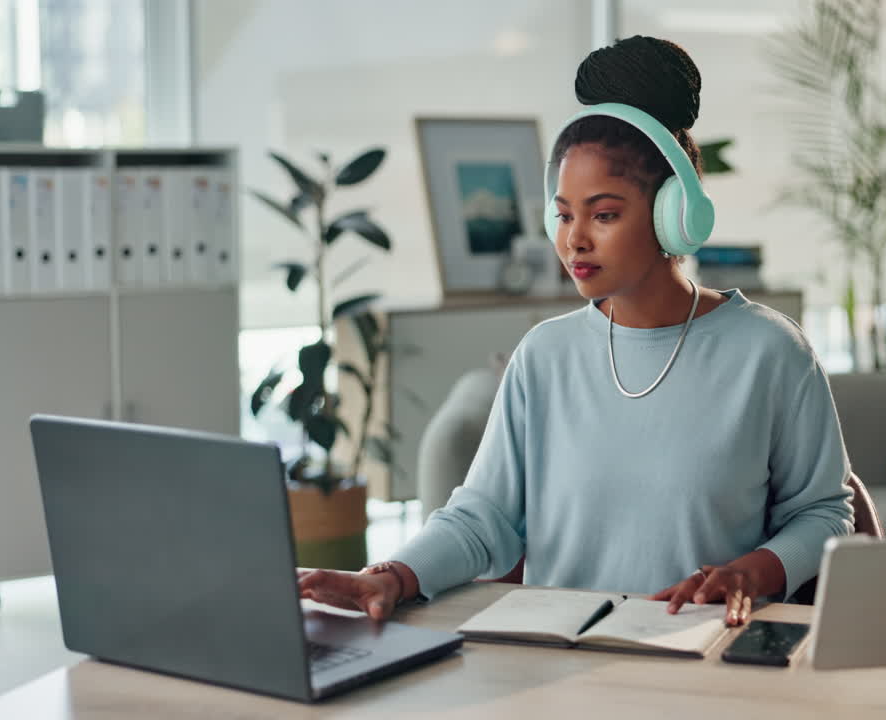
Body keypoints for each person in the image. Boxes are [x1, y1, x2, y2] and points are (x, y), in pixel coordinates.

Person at [298, 35, 855, 627]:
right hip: (556, 656)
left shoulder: (771, 352)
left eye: (604, 214)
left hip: (701, 652)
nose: (574, 239)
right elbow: (483, 515)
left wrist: (752, 572)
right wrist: (388, 576)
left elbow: (824, 511)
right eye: (564, 215)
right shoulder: (545, 354)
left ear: (675, 215)